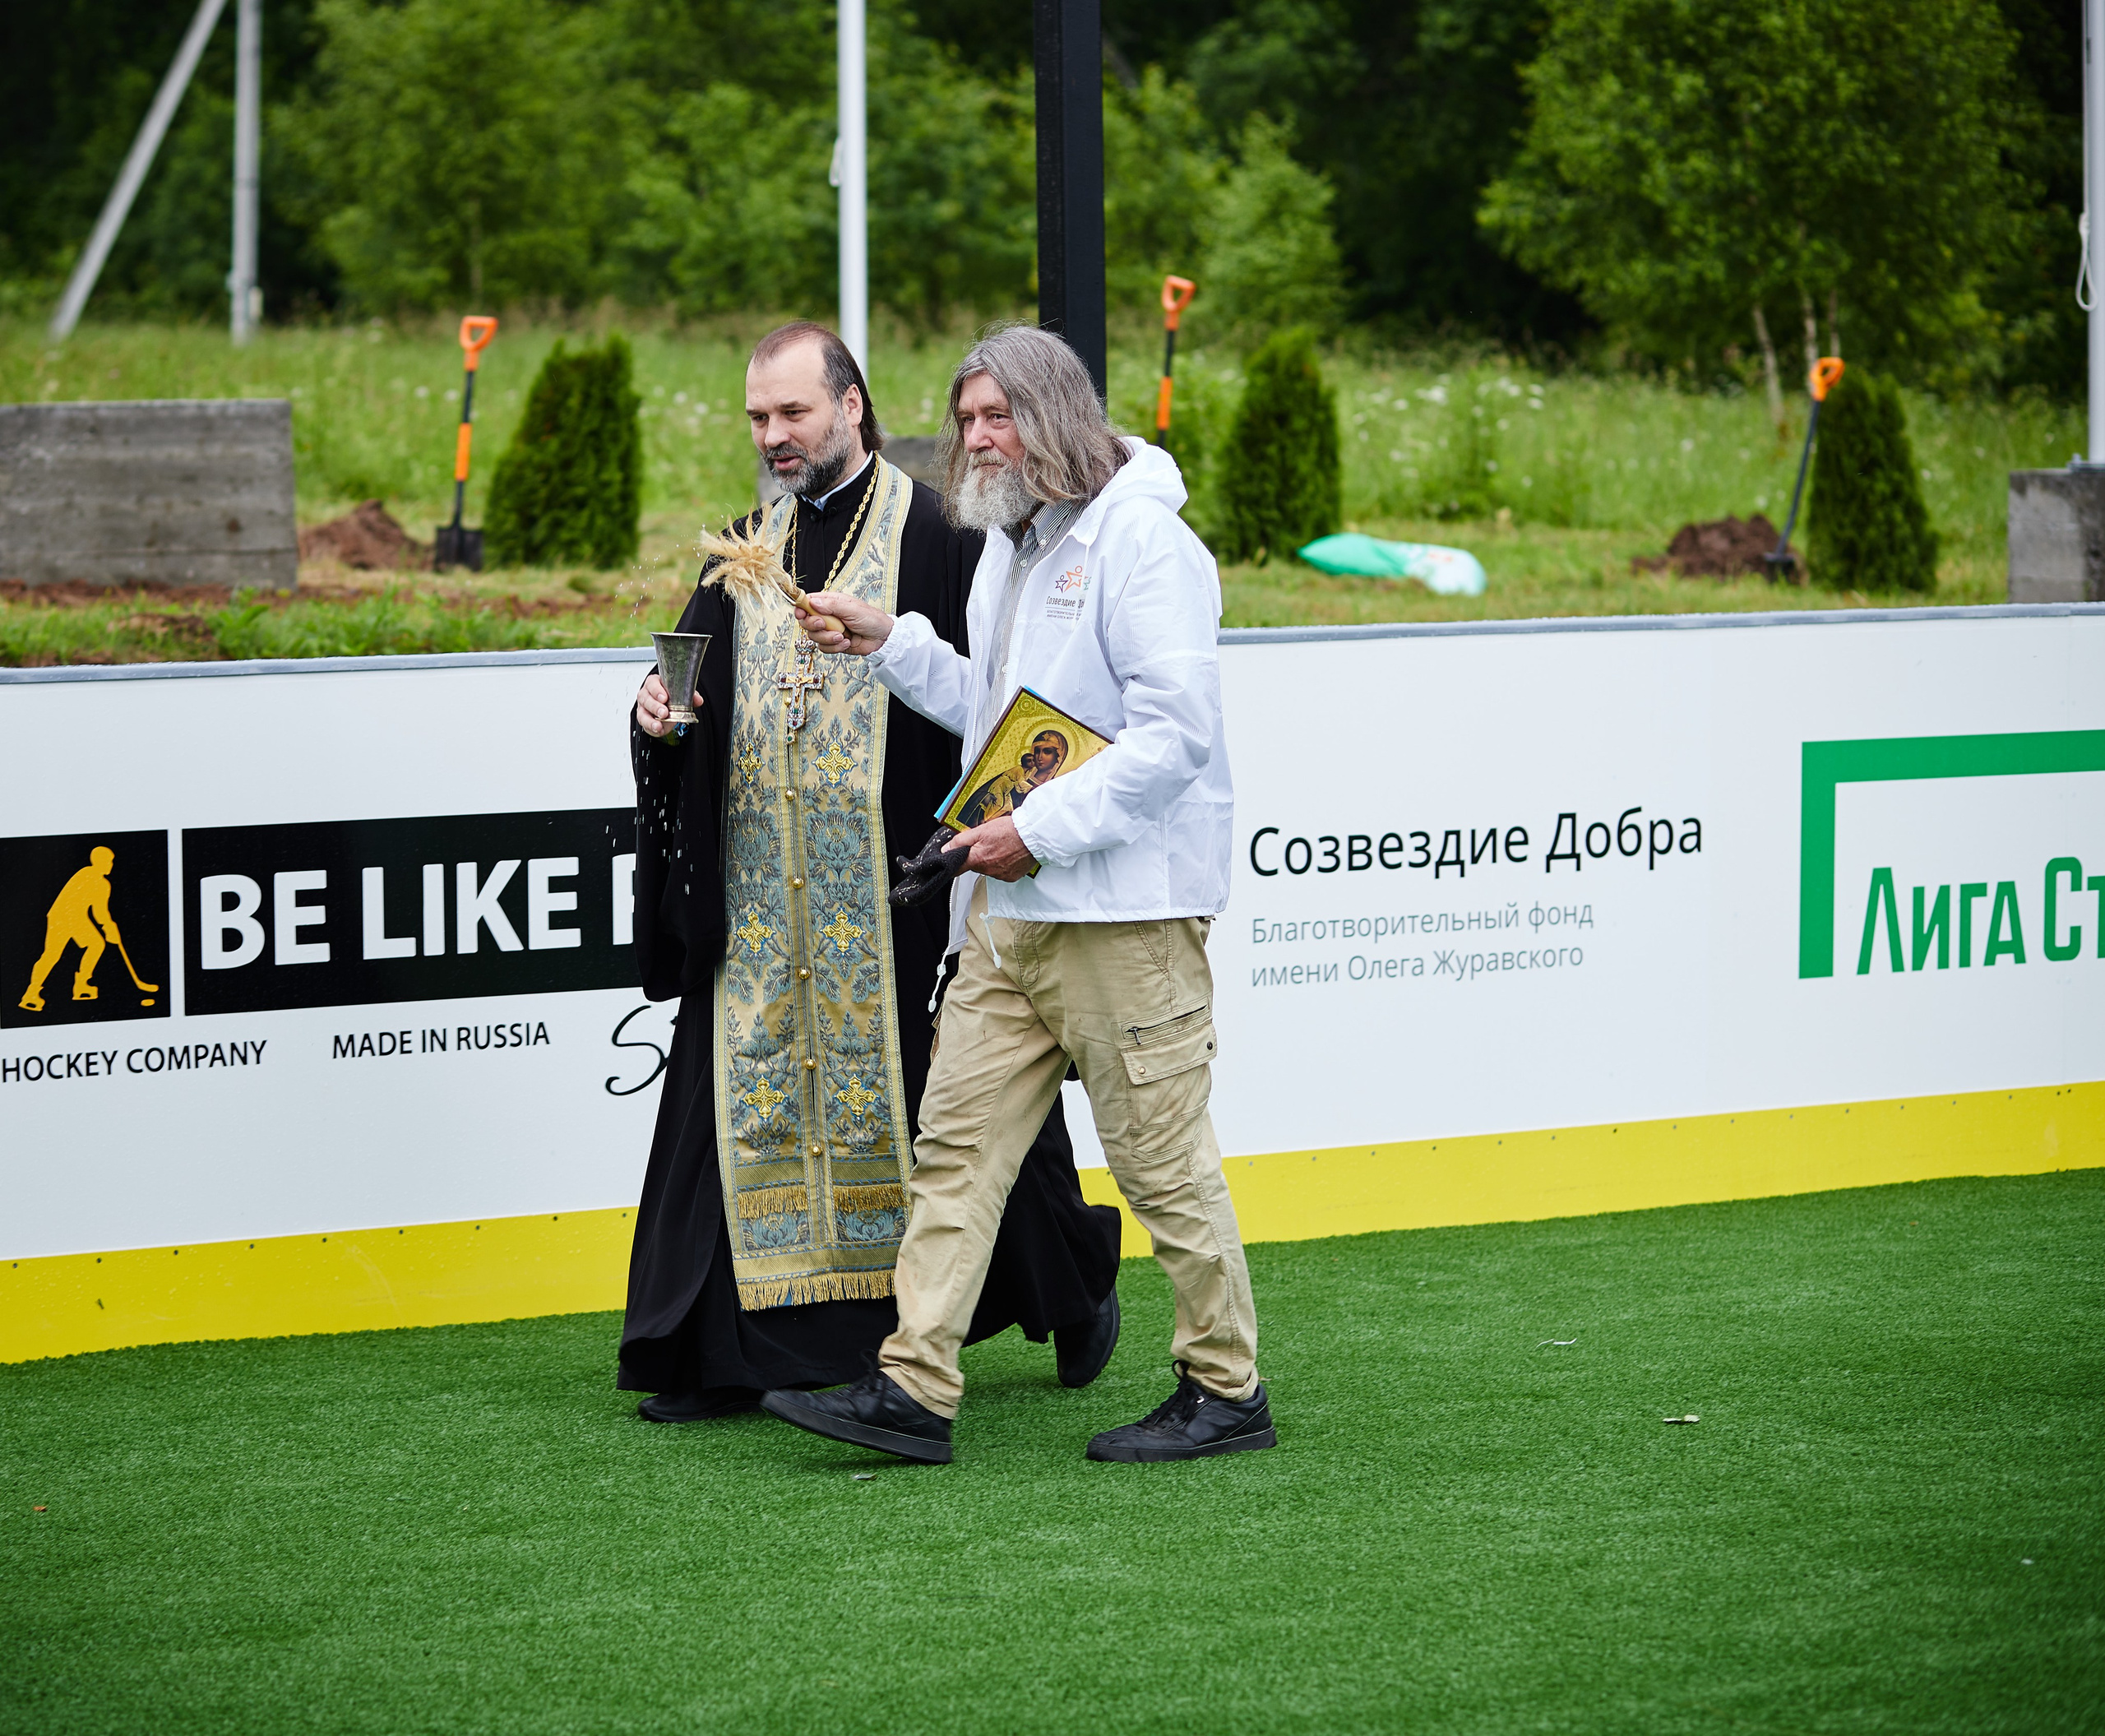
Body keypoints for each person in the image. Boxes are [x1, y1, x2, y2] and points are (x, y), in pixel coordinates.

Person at [763, 323, 1272, 1465]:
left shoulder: (1146, 542)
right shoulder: (1014, 538)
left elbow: (1174, 738)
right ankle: (913, 1384)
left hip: (1123, 915)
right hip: (1012, 915)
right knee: (955, 1147)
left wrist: (1033, 832)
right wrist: (889, 640)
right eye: (968, 418)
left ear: (1061, 416)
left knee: (1160, 1161)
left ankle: (1226, 1386)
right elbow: (1001, 719)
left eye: (1000, 415)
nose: (977, 438)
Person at [620, 322, 1123, 1422]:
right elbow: (690, 704)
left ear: (853, 405)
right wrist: (656, 719)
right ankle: (725, 1350)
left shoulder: (945, 531)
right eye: (758, 417)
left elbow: (998, 702)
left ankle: (1071, 1275)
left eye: (793, 412)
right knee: (738, 1101)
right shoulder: (741, 550)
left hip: (900, 885)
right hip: (761, 893)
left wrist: (983, 852)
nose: (774, 435)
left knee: (951, 1107)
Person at [20, 845, 120, 1012]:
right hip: (66, 917)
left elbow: (99, 912)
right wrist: (108, 927)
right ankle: (78, 985)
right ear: (100, 862)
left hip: (64, 916)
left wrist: (109, 927)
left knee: (55, 954)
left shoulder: (96, 880)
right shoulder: (90, 876)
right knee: (91, 946)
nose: (111, 865)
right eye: (109, 861)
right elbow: (100, 913)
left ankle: (36, 991)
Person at [955, 729, 1067, 827]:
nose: (1039, 757)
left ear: (1059, 757)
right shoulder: (1019, 778)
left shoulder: (1055, 790)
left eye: (1047, 752)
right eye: (1037, 751)